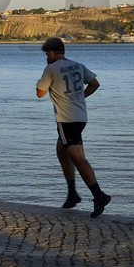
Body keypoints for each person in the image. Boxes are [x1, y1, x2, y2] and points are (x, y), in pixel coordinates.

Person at [35, 36, 111, 217]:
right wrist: (80, 96)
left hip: (66, 119)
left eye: (47, 53)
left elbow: (39, 93)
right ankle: (72, 193)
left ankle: (99, 195)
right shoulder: (78, 65)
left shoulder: (51, 68)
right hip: (81, 116)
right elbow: (95, 84)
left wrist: (48, 81)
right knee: (62, 150)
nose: (46, 56)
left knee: (78, 158)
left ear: (52, 52)